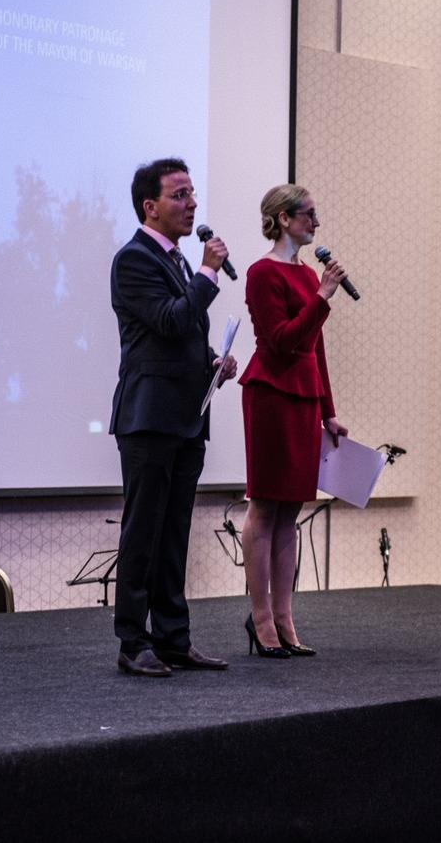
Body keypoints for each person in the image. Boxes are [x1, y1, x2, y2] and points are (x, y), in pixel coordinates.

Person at [109, 158, 237, 677]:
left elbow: (180, 336)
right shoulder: (133, 260)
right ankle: (132, 642)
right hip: (148, 417)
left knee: (174, 534)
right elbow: (167, 321)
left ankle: (173, 639)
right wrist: (207, 272)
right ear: (151, 206)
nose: (192, 204)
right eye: (180, 194)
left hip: (185, 416)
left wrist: (212, 362)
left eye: (192, 193)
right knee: (143, 533)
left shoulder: (178, 261)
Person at [237, 184, 349, 658]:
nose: (316, 223)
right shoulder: (262, 273)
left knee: (291, 513)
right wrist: (322, 296)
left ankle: (284, 617)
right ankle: (260, 617)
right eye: (309, 214)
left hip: (303, 397)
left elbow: (314, 348)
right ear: (283, 219)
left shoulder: (307, 274)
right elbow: (283, 342)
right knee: (265, 507)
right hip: (272, 394)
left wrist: (329, 412)